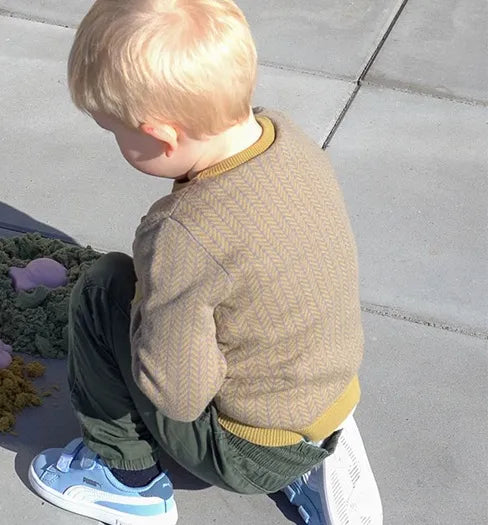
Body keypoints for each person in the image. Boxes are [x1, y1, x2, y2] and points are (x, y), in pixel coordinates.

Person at [27, 1, 382, 523]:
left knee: (104, 288)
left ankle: (125, 480)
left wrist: (152, 304)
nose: (115, 144)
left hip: (250, 452)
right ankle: (309, 461)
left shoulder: (185, 234)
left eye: (115, 132)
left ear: (161, 135)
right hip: (327, 393)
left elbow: (180, 395)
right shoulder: (288, 139)